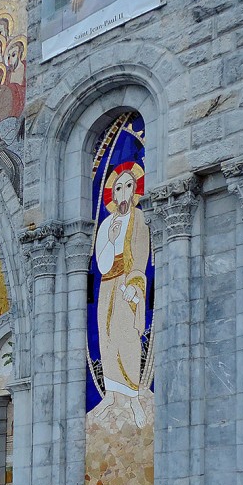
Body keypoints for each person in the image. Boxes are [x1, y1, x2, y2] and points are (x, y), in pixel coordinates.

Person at [94, 162, 151, 427]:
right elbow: (101, 261)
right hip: (107, 285)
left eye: (129, 186)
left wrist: (135, 284)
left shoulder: (139, 218)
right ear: (113, 194)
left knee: (127, 337)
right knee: (106, 338)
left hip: (129, 285)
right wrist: (110, 237)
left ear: (134, 190)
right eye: (119, 188)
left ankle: (134, 397)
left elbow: (141, 253)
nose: (123, 193)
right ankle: (112, 395)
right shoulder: (107, 223)